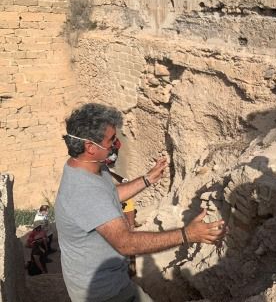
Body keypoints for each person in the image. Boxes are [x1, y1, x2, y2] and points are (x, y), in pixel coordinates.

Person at [55, 103, 226, 302]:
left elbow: (108, 195)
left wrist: (147, 180)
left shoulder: (91, 168)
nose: (116, 144)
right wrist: (187, 234)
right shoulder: (84, 191)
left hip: (113, 280)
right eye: (111, 140)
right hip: (104, 294)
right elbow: (125, 243)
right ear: (90, 147)